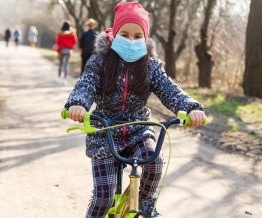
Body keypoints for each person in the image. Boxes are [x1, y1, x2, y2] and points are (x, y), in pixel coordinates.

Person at [63, 2, 207, 218]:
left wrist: (190, 107)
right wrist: (78, 104)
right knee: (104, 196)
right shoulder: (100, 61)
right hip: (104, 132)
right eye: (125, 34)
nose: (131, 41)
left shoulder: (151, 66)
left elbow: (171, 90)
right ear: (115, 34)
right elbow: (87, 83)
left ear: (146, 38)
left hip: (138, 129)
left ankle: (147, 202)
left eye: (138, 36)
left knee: (155, 160)